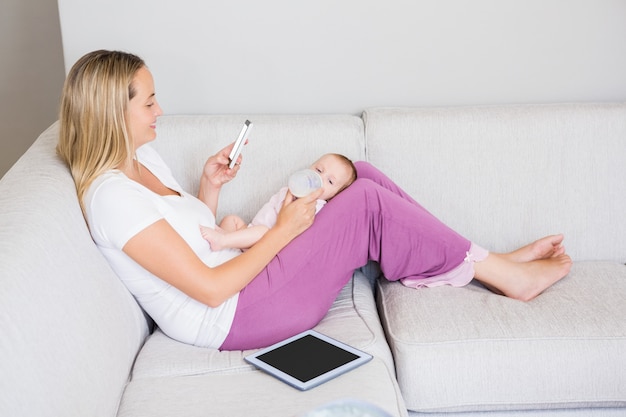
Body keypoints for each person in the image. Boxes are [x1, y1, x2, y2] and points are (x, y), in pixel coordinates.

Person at [56, 50, 572, 351]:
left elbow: (192, 243)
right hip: (236, 315)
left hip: (246, 281)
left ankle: (487, 262)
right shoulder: (112, 199)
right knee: (364, 199)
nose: (160, 110)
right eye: (148, 102)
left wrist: (209, 187)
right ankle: (506, 275)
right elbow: (209, 289)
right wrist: (283, 229)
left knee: (358, 173)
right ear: (110, 113)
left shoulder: (142, 162)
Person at [200, 153, 357, 250]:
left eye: (330, 182)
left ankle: (223, 240)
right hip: (249, 231)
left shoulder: (316, 206)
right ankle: (226, 246)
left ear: (334, 196)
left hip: (265, 242)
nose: (320, 179)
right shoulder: (294, 187)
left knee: (262, 231)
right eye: (318, 170)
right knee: (230, 219)